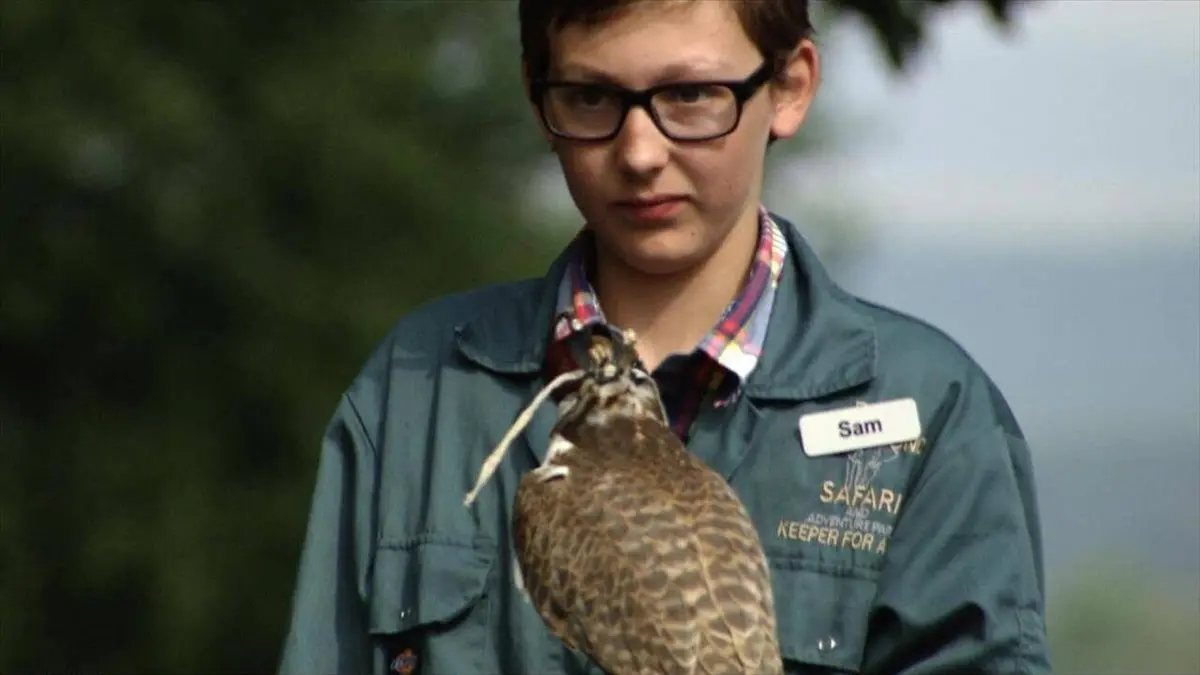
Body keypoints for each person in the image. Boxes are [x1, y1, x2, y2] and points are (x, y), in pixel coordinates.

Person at [278, 0, 1054, 673]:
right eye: (590, 96)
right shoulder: (415, 392)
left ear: (789, 86)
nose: (640, 153)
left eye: (690, 95)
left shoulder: (930, 413)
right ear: (536, 96)